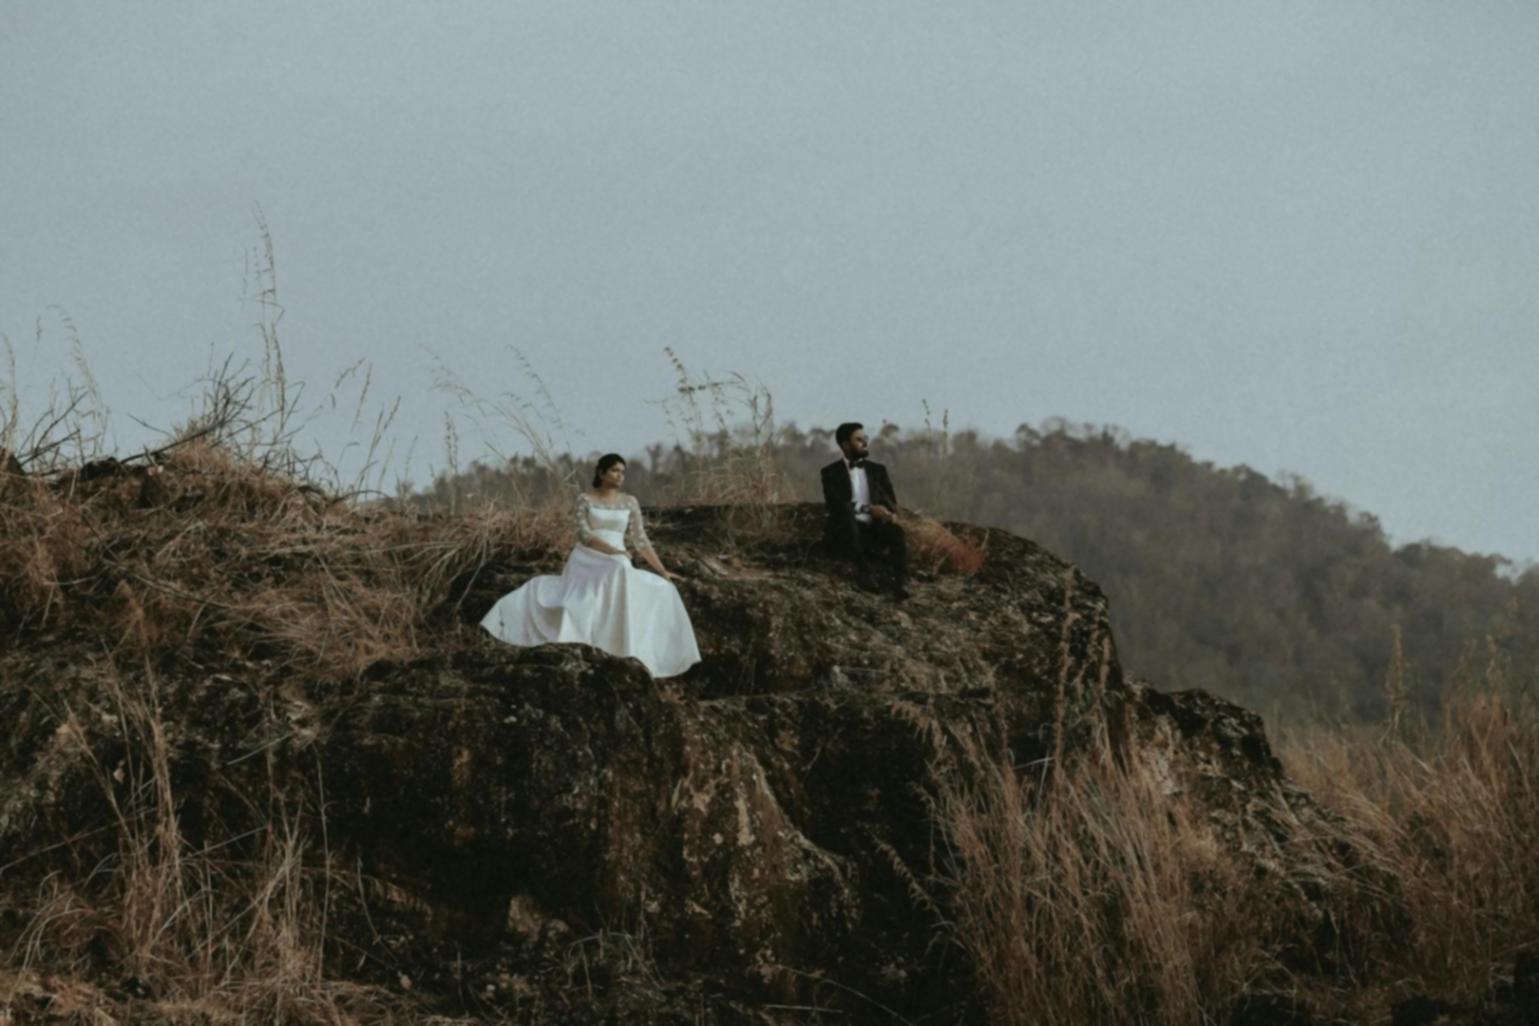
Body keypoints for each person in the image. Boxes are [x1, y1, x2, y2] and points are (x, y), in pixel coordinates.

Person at [480, 454, 701, 678]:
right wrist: (612, 551)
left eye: (623, 472)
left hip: (618, 557)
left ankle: (622, 645)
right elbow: (584, 535)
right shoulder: (585, 499)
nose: (620, 476)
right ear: (601, 473)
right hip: (589, 556)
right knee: (618, 567)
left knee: (655, 584)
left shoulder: (629, 501)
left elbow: (640, 539)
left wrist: (662, 570)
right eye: (615, 470)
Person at [820, 422, 909, 600]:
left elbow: (891, 502)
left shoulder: (878, 470)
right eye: (859, 440)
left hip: (872, 532)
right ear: (845, 445)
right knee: (846, 513)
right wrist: (867, 508)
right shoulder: (830, 472)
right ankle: (863, 573)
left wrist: (891, 515)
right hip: (844, 533)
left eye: (865, 439)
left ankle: (900, 584)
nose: (865, 443)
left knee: (896, 532)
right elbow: (835, 505)